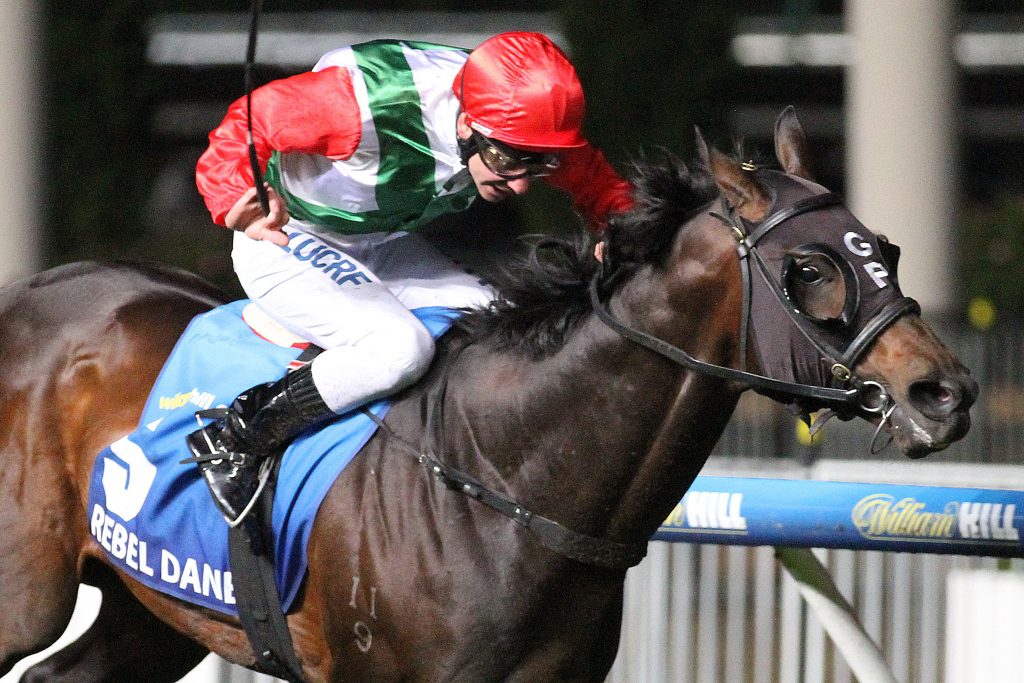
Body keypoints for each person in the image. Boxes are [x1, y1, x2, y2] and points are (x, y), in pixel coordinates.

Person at [187, 31, 633, 525]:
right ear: (466, 123)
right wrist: (236, 197)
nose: (522, 184)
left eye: (539, 163)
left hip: (381, 241)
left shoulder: (519, 119)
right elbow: (248, 121)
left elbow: (592, 176)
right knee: (401, 350)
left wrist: (619, 226)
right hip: (286, 236)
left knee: (501, 329)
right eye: (507, 160)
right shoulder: (361, 105)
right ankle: (237, 436)